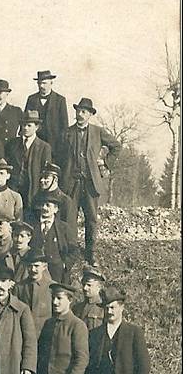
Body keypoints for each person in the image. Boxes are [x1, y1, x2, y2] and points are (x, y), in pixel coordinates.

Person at [62, 97, 121, 265]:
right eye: (78, 111)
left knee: (91, 218)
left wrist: (105, 161)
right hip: (71, 182)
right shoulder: (67, 132)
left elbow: (116, 146)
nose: (80, 114)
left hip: (90, 183)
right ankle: (71, 252)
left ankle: (90, 253)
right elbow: (60, 155)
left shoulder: (98, 131)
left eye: (84, 112)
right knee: (70, 218)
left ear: (90, 114)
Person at [5, 111, 53, 207]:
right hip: (13, 189)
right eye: (23, 125)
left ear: (37, 127)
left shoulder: (44, 147)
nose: (25, 128)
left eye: (29, 125)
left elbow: (46, 172)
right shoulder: (12, 144)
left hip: (33, 191)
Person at [24, 70, 69, 166]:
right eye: (39, 83)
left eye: (44, 83)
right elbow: (25, 121)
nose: (41, 86)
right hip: (35, 144)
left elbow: (64, 126)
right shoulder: (31, 99)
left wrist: (60, 147)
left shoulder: (60, 100)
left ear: (51, 83)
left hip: (54, 146)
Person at [31, 192, 78, 282]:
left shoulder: (63, 228)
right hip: (36, 272)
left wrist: (64, 264)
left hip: (56, 273)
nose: (44, 208)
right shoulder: (32, 225)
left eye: (48, 205)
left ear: (55, 209)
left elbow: (74, 250)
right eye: (42, 205)